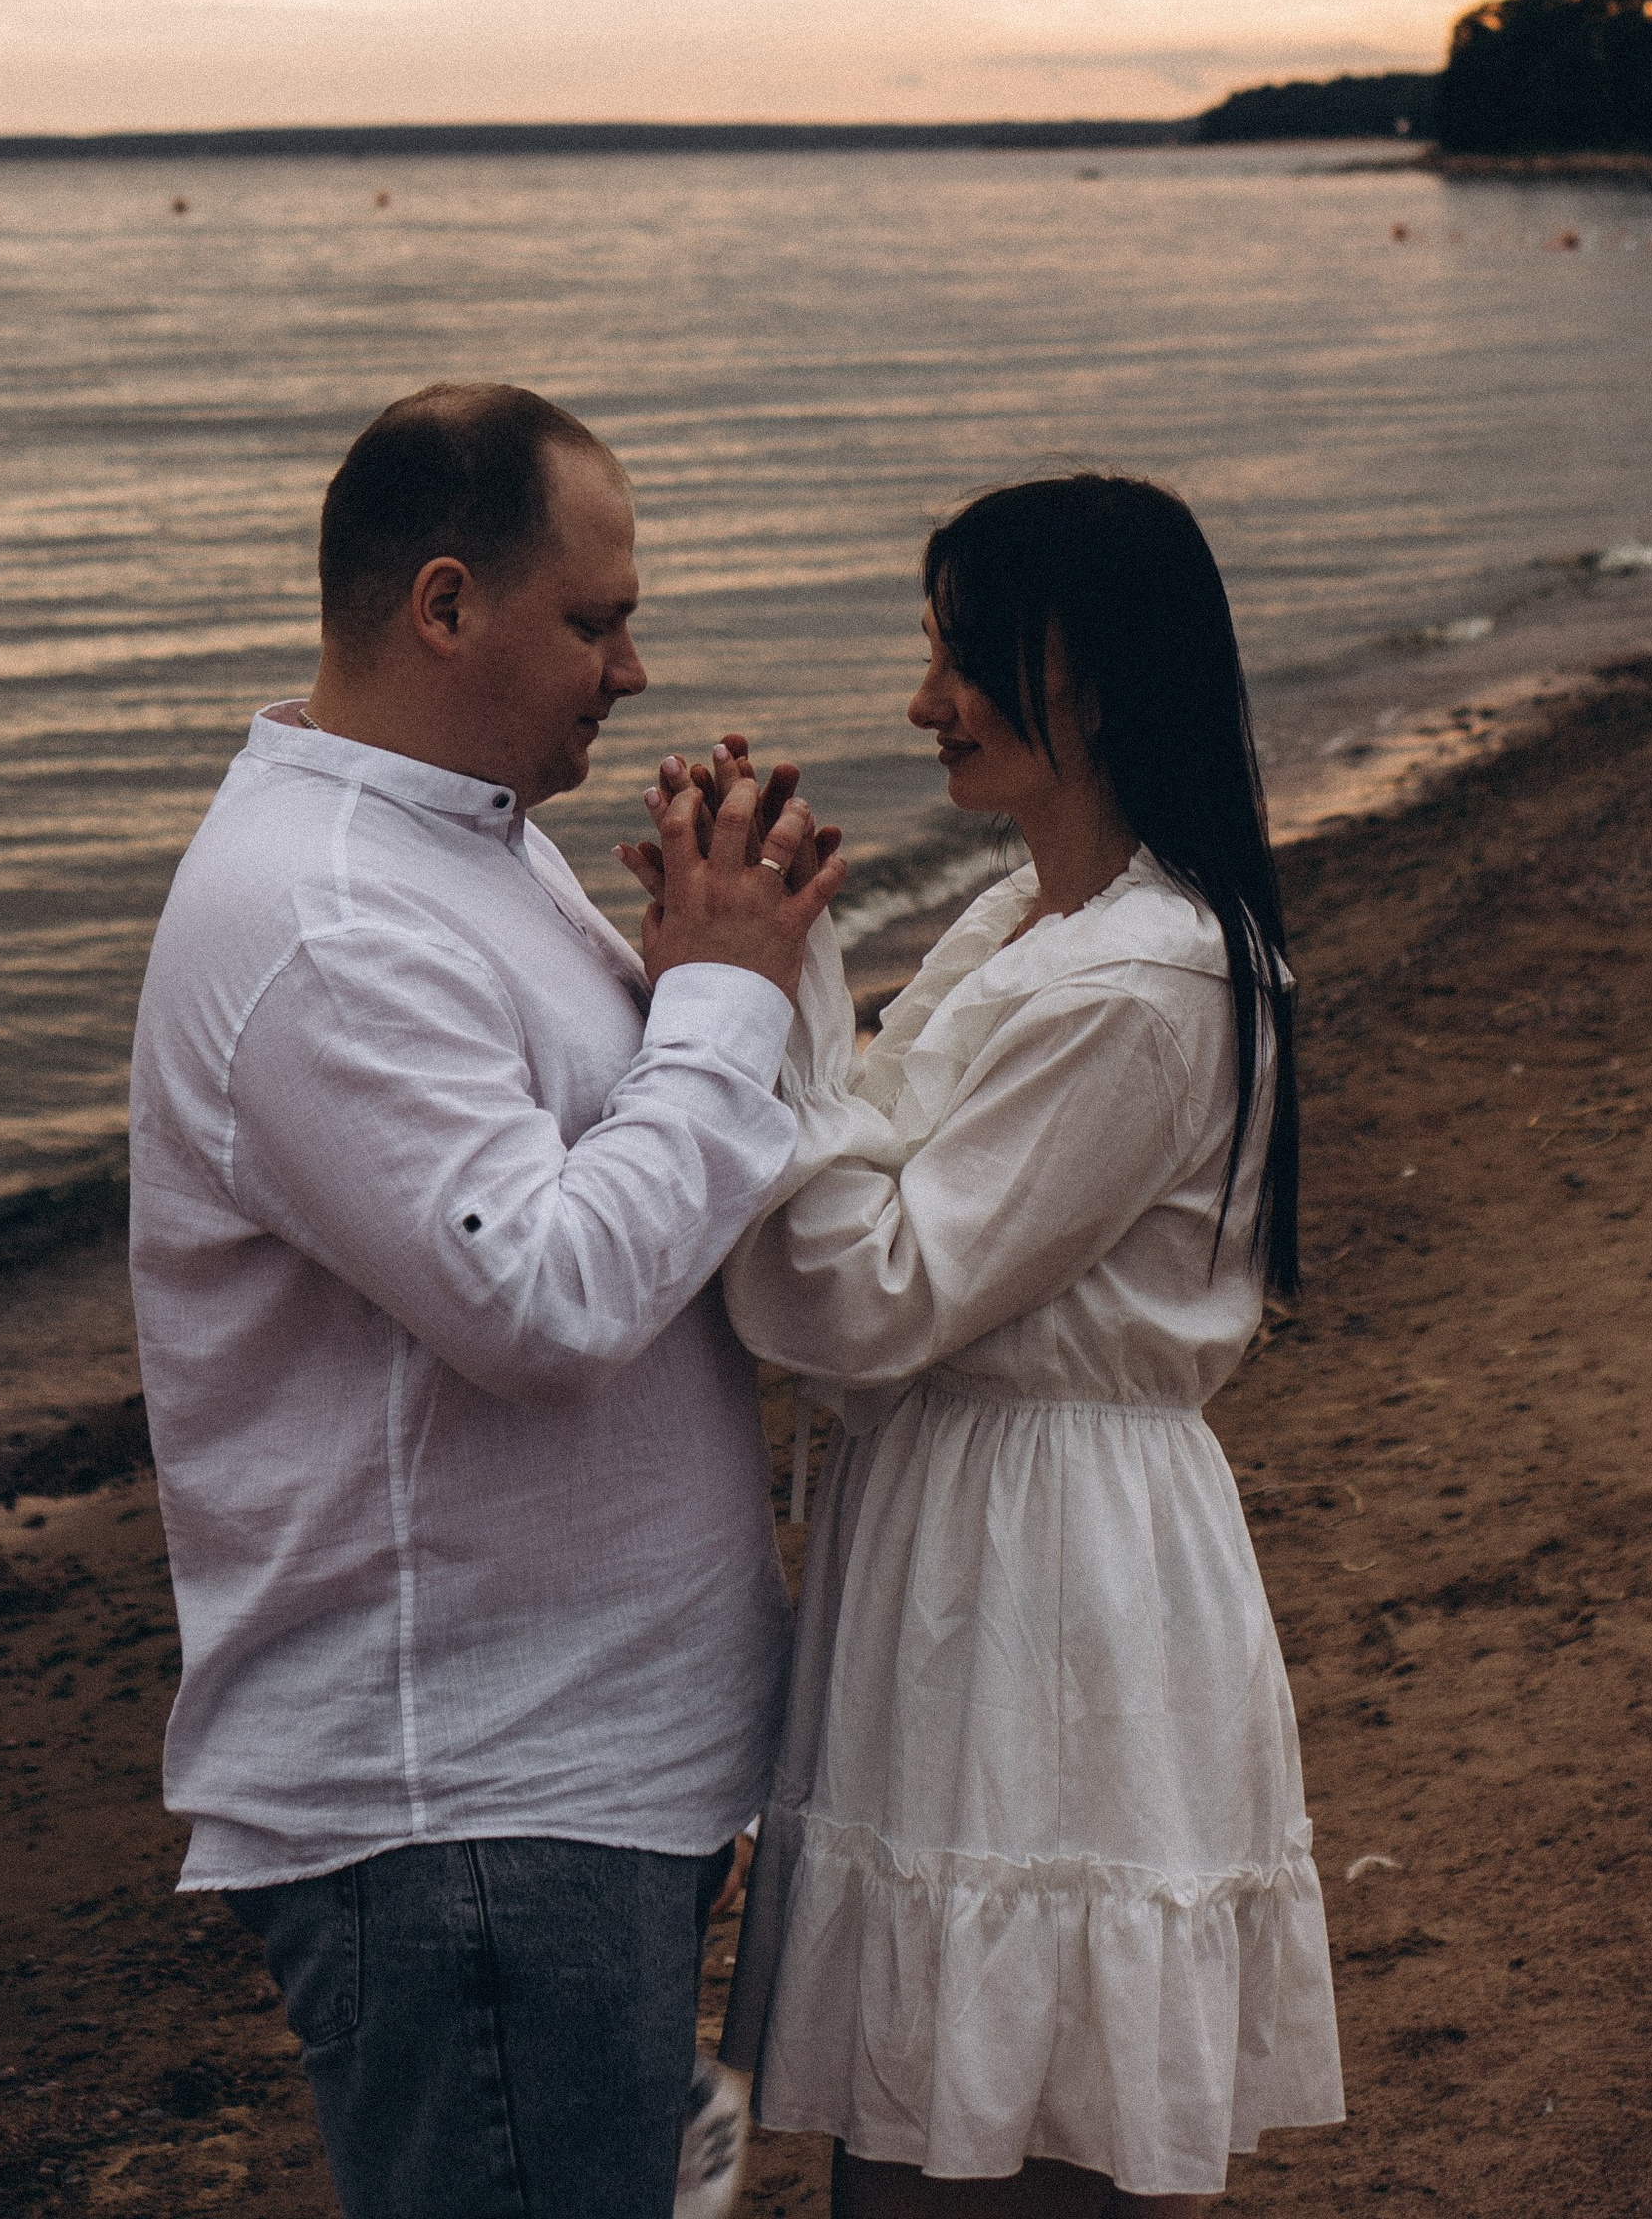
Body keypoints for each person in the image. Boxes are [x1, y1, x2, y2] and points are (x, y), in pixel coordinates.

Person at [128, 381, 844, 2219]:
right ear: (446, 606)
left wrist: (711, 961)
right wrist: (723, 1001)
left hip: (573, 1780)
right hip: (467, 1812)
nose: (631, 667)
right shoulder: (327, 919)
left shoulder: (474, 838)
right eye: (594, 622)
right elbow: (542, 1296)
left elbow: (638, 1176)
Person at [693, 473, 1346, 2216]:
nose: (924, 707)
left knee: (1013, 2113)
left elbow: (869, 1292)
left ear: (1099, 676)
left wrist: (768, 994)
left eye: (965, 658)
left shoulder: (1148, 985)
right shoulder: (1027, 924)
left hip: (1046, 1568)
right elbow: (888, 1184)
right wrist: (783, 980)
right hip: (977, 1535)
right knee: (933, 2102)